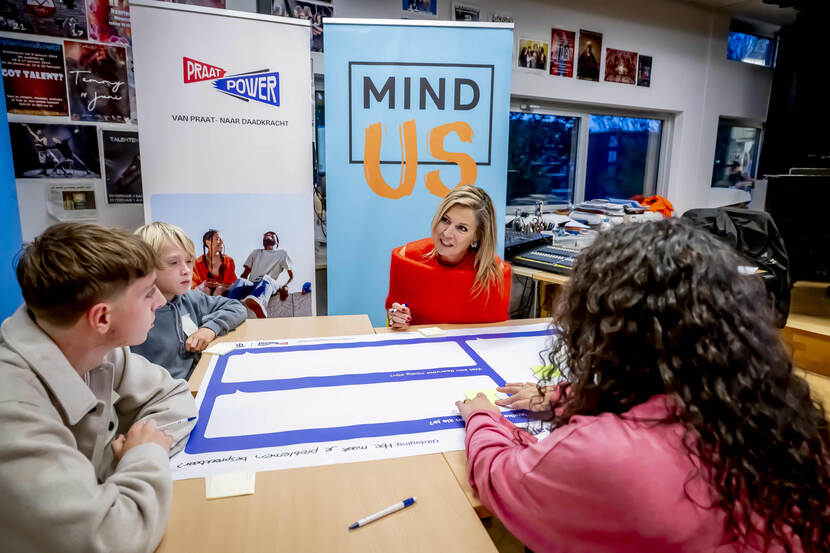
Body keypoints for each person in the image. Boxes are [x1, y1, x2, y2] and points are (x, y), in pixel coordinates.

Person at [456, 218, 829, 553]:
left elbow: (502, 477)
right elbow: (656, 409)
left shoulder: (603, 453)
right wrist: (563, 397)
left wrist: (483, 418)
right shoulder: (765, 412)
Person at [0, 222, 197, 553]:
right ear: (102, 318)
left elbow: (173, 395)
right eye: (148, 292)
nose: (161, 301)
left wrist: (129, 461)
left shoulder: (93, 347)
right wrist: (143, 454)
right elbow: (109, 538)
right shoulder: (13, 412)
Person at [132, 222, 246, 381]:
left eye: (188, 261)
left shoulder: (190, 298)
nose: (186, 270)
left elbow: (236, 307)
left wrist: (209, 329)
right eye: (173, 263)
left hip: (199, 382)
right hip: (166, 398)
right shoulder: (131, 318)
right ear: (145, 267)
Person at [386, 185, 511, 328]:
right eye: (445, 220)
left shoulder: (494, 274)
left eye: (462, 228)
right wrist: (395, 319)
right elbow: (390, 322)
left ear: (477, 235)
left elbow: (495, 333)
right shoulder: (407, 258)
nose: (447, 233)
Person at [227, 231, 294, 319]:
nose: (267, 234)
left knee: (266, 278)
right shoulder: (256, 253)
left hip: (269, 284)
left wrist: (286, 286)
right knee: (240, 281)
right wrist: (235, 287)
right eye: (266, 235)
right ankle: (228, 306)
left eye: (271, 234)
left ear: (277, 243)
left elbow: (292, 276)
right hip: (252, 285)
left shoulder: (282, 254)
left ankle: (260, 302)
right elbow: (244, 274)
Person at [192, 229, 237, 296]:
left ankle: (215, 305)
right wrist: (202, 285)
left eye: (222, 240)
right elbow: (194, 287)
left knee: (219, 289)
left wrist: (218, 284)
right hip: (204, 293)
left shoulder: (228, 261)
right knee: (205, 289)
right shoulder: (198, 263)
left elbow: (232, 285)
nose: (222, 242)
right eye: (218, 239)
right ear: (208, 242)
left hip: (223, 292)